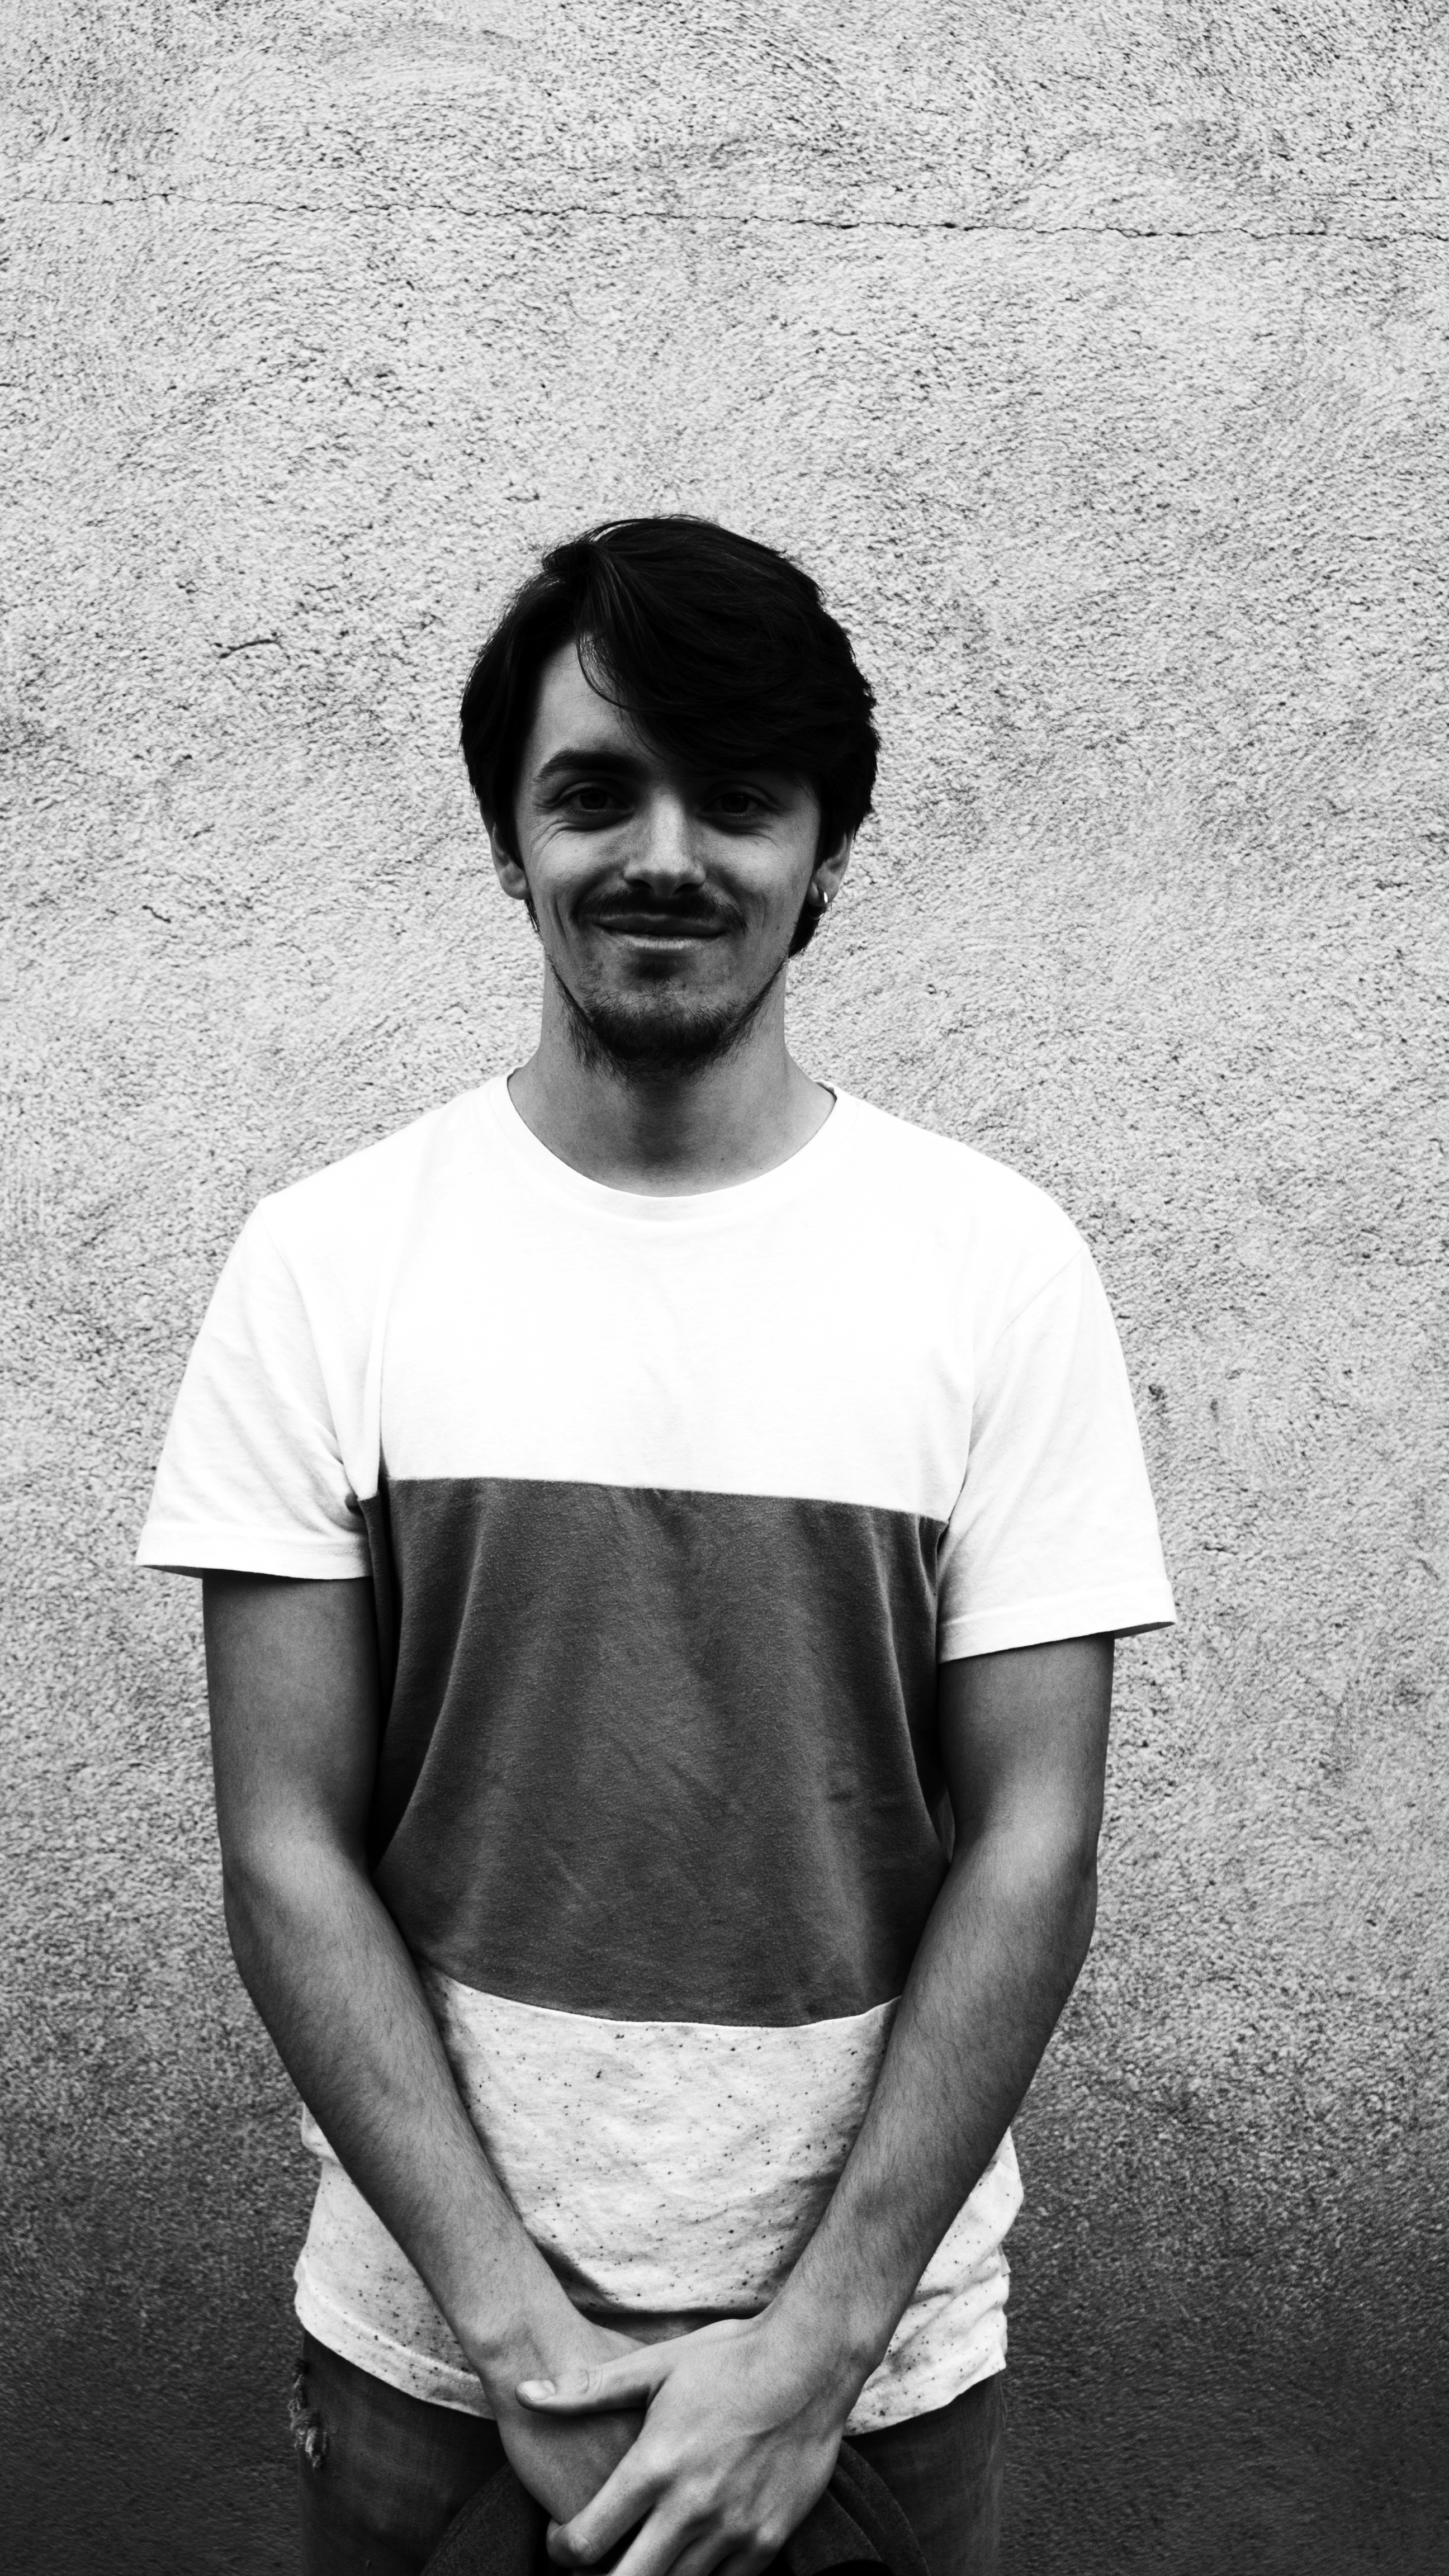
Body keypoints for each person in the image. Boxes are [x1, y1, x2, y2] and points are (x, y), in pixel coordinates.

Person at [138, 517, 1176, 2576]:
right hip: (435, 2380)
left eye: (741, 798)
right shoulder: (326, 1266)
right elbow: (283, 1845)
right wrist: (520, 2340)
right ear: (506, 840)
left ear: (826, 852)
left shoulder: (994, 1269)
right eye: (595, 793)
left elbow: (1034, 1844)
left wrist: (810, 2353)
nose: (665, 856)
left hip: (878, 2392)